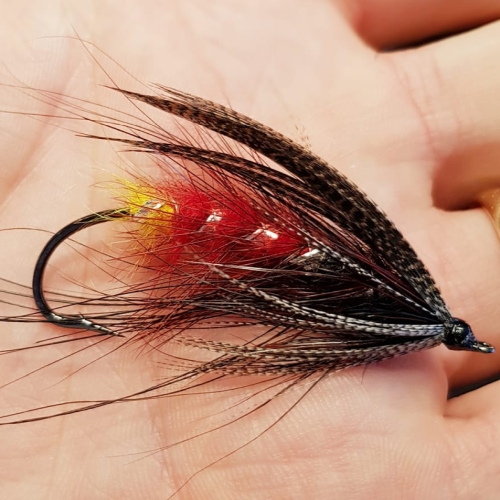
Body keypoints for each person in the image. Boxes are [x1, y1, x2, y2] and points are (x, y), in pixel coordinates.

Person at [0, 1, 499, 498]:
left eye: (465, 339)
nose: (470, 342)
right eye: (464, 339)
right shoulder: (403, 319)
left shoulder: (404, 310)